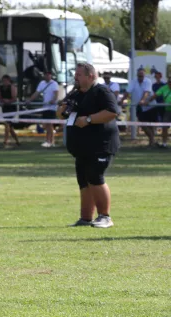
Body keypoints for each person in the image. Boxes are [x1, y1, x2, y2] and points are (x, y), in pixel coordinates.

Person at [57, 62, 120, 229]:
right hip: (81, 147)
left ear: (90, 76)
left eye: (79, 75)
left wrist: (89, 119)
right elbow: (60, 113)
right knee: (84, 180)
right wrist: (63, 108)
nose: (75, 78)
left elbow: (112, 112)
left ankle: (105, 216)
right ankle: (85, 218)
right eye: (75, 75)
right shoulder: (75, 93)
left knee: (95, 177)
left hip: (101, 145)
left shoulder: (102, 91)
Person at [25, 71, 59, 147]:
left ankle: (49, 141)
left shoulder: (54, 84)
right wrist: (30, 100)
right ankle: (50, 141)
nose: (47, 76)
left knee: (49, 124)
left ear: (51, 76)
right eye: (46, 75)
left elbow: (56, 94)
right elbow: (36, 93)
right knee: (46, 125)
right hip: (45, 107)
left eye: (48, 75)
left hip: (52, 108)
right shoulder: (42, 83)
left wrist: (53, 100)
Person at [123, 68, 155, 145]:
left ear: (144, 75)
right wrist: (121, 100)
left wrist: (143, 100)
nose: (140, 76)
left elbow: (146, 92)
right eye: (139, 75)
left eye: (142, 75)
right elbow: (127, 91)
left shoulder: (148, 81)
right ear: (137, 75)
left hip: (150, 106)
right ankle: (152, 139)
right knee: (142, 124)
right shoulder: (133, 81)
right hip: (139, 107)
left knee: (151, 125)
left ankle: (152, 142)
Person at [148, 77, 171, 148]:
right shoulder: (164, 88)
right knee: (164, 127)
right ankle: (164, 144)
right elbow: (155, 95)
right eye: (169, 82)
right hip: (168, 111)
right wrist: (148, 101)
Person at [0, 75, 20, 147]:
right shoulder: (1, 87)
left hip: (11, 108)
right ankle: (17, 141)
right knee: (10, 127)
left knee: (7, 125)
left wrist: (8, 101)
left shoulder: (12, 87)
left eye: (6, 80)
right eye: (3, 81)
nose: (4, 82)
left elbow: (14, 98)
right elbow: (0, 97)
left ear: (9, 80)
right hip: (5, 108)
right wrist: (2, 101)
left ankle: (5, 142)